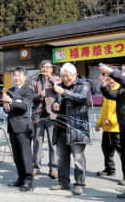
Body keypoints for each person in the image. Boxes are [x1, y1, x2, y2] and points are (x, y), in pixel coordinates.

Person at [50, 62, 91, 195]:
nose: (65, 78)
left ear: (75, 75)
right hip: (61, 127)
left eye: (68, 76)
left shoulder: (83, 84)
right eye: (63, 76)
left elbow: (82, 98)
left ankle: (79, 183)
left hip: (77, 128)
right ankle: (63, 182)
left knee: (78, 158)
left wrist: (64, 92)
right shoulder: (60, 86)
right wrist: (54, 106)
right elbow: (56, 103)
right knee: (62, 158)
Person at [3, 67, 34, 192]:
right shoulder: (9, 90)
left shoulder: (28, 90)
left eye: (19, 75)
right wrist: (6, 107)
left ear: (24, 77)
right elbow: (6, 108)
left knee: (25, 155)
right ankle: (20, 178)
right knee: (16, 156)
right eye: (14, 75)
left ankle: (28, 181)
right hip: (12, 126)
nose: (16, 78)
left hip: (23, 127)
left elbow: (24, 106)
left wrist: (11, 101)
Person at [99, 64, 125, 199]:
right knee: (108, 150)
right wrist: (103, 85)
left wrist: (110, 71)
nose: (122, 73)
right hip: (121, 127)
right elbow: (110, 95)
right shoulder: (121, 90)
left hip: (117, 127)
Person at [31, 60, 60, 179]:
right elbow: (30, 96)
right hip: (38, 115)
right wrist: (39, 95)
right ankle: (36, 167)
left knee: (52, 143)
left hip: (52, 115)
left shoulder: (56, 79)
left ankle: (53, 168)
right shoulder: (34, 82)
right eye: (43, 67)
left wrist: (50, 78)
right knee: (37, 142)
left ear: (52, 69)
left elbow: (59, 90)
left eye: (47, 67)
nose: (45, 69)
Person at [96, 72, 121, 177]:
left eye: (109, 77)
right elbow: (104, 110)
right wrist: (99, 123)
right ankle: (109, 169)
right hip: (107, 128)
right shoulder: (107, 92)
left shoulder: (121, 90)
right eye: (106, 77)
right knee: (106, 149)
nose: (107, 78)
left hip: (117, 128)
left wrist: (111, 120)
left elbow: (122, 110)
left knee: (121, 152)